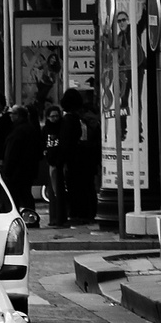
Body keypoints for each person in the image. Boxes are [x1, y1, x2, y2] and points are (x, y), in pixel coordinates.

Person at [0, 106, 44, 222]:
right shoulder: (30, 129)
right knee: (26, 195)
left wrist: (7, 170)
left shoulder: (17, 131)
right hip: (28, 169)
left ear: (18, 115)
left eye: (12, 114)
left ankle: (20, 219)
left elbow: (12, 153)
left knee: (16, 197)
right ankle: (31, 218)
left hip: (17, 171)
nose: (10, 116)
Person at [59, 88, 93, 226]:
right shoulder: (81, 120)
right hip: (84, 158)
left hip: (73, 159)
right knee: (84, 186)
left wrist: (62, 159)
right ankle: (85, 213)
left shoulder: (68, 121)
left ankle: (76, 214)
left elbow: (66, 142)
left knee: (74, 187)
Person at [41, 104, 70, 227]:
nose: (55, 119)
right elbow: (42, 143)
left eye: (57, 116)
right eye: (52, 116)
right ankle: (54, 218)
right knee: (53, 192)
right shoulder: (46, 129)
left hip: (60, 162)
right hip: (51, 162)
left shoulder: (62, 128)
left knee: (59, 191)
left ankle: (60, 217)